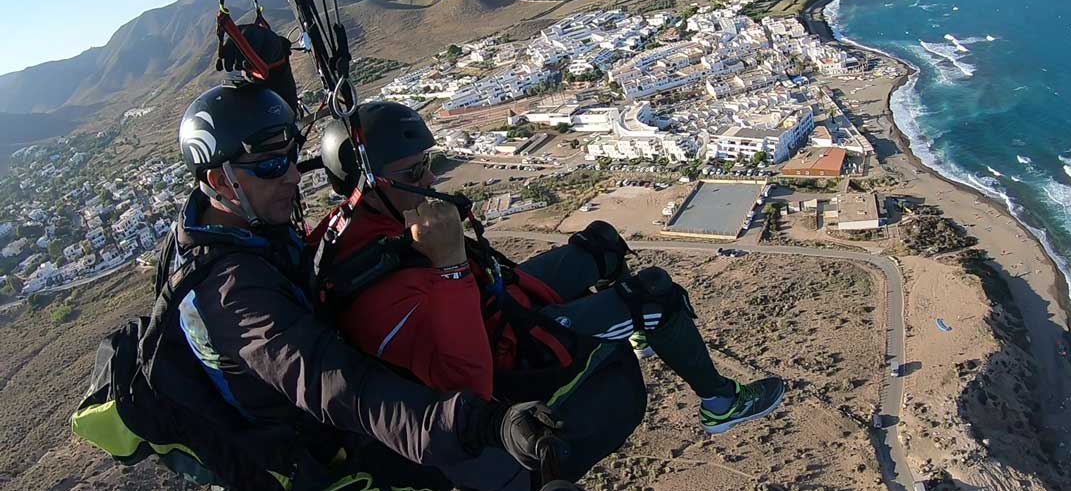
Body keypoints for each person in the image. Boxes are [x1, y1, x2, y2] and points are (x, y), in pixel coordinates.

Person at [312, 102, 786, 477]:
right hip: (507, 351)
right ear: (367, 183)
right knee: (654, 296)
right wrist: (452, 266)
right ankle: (721, 402)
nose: (432, 180)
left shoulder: (363, 224)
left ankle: (635, 332)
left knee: (600, 245)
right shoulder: (374, 290)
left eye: (429, 165)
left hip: (491, 304)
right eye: (416, 172)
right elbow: (469, 384)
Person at [162, 82, 560, 491]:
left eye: (292, 158)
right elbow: (340, 388)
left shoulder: (226, 225)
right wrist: (485, 423)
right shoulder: (232, 298)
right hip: (320, 451)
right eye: (271, 166)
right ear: (219, 180)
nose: (294, 176)